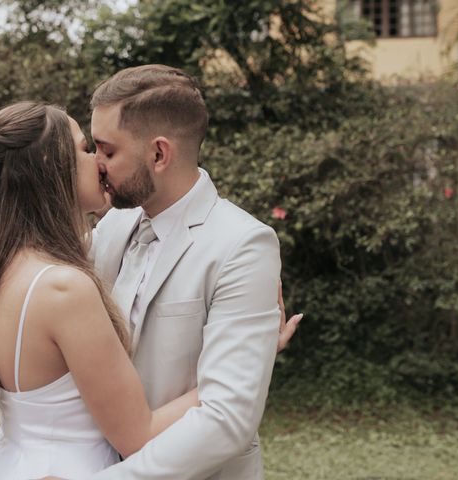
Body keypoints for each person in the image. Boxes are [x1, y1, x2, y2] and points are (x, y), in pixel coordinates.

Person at [0, 101, 201, 480]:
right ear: (50, 168)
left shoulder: (2, 270)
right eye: (84, 149)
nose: (98, 162)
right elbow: (139, 435)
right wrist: (230, 371)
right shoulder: (63, 289)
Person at [80, 64, 300, 480]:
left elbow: (226, 418)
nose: (96, 164)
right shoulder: (111, 226)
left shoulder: (243, 245)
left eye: (107, 150)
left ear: (159, 154)